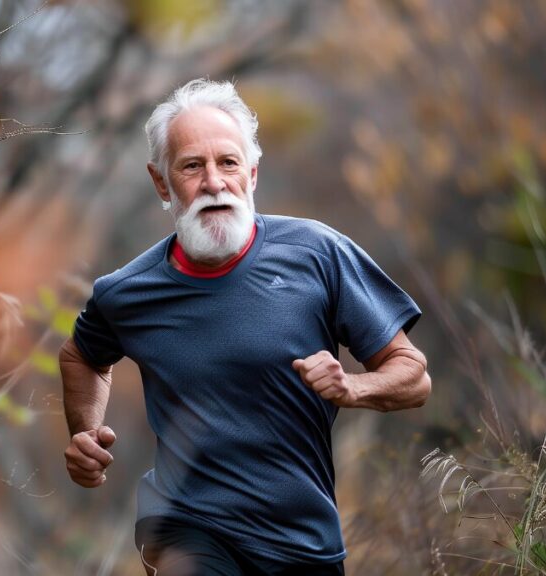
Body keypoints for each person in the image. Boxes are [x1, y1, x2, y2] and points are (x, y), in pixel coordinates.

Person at [60, 78, 431, 576]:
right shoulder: (126, 291)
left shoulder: (319, 255)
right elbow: (82, 356)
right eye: (192, 166)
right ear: (161, 183)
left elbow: (413, 376)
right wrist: (85, 433)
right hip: (184, 528)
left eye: (228, 163)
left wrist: (353, 386)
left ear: (252, 174)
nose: (214, 182)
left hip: (303, 540)